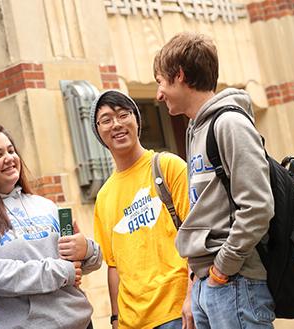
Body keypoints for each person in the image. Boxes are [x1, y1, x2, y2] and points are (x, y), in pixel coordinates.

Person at [153, 32, 275, 329]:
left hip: (235, 283)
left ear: (179, 75)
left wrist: (222, 268)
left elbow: (258, 207)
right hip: (210, 285)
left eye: (160, 81)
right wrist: (201, 280)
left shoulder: (229, 124)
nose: (158, 93)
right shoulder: (195, 129)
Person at [0, 124, 102, 329]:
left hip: (80, 322)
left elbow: (82, 264)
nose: (9, 158)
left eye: (11, 151)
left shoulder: (45, 205)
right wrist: (61, 271)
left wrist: (87, 249)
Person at [90, 90, 191, 329]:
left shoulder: (168, 166)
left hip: (177, 313)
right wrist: (115, 319)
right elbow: (113, 266)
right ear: (98, 132)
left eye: (123, 115)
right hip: (132, 322)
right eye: (106, 120)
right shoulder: (104, 196)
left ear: (136, 119)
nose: (116, 124)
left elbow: (195, 235)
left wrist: (192, 297)